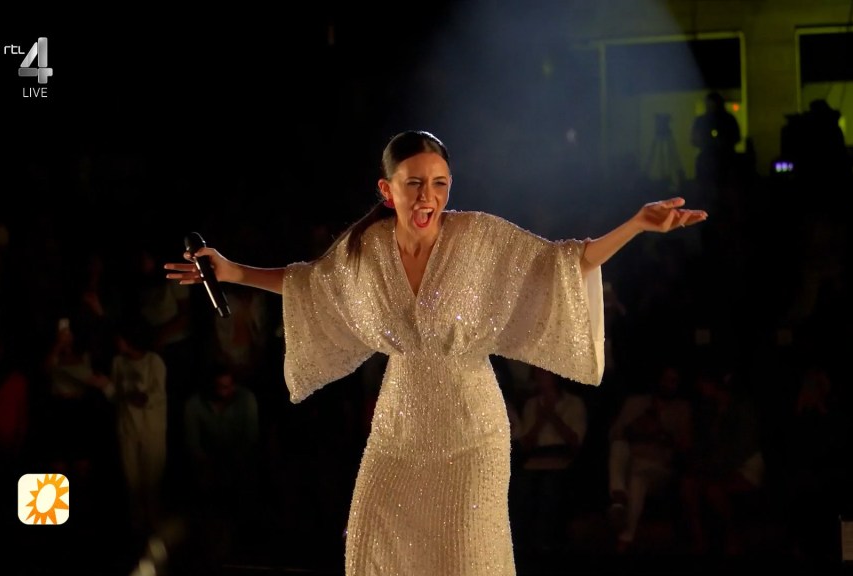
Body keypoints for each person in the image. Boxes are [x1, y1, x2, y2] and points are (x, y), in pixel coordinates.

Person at [164, 130, 707, 575]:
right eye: (415, 183)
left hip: (472, 434)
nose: (429, 196)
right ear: (387, 190)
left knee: (465, 560)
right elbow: (309, 284)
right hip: (398, 431)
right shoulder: (366, 249)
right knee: (371, 549)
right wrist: (233, 272)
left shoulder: (477, 237)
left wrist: (636, 225)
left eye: (440, 183)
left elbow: (565, 263)